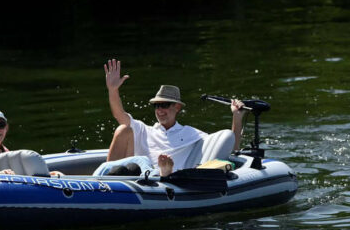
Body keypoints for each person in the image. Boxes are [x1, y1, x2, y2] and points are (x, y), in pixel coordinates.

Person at [97, 59, 247, 177]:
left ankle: (163, 173)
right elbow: (119, 115)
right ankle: (103, 183)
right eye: (157, 106)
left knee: (145, 163)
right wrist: (113, 90)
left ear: (177, 107)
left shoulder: (192, 134)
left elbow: (231, 148)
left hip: (164, 183)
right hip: (138, 176)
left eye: (165, 105)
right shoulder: (144, 130)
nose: (160, 110)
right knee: (123, 130)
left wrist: (237, 117)